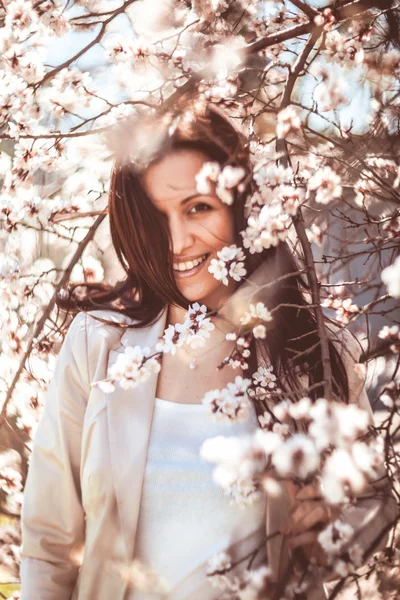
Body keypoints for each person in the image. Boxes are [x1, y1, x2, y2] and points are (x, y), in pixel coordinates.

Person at [20, 102, 397, 600]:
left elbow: (373, 510)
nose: (176, 241)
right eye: (156, 216)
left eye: (198, 207)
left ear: (241, 206)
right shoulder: (97, 346)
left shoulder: (312, 355)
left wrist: (336, 526)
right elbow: (48, 543)